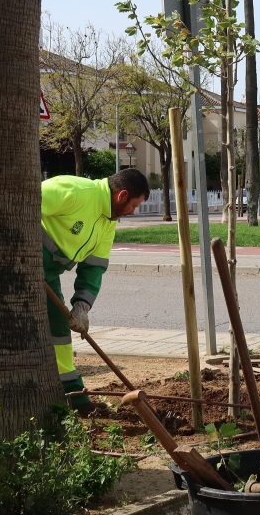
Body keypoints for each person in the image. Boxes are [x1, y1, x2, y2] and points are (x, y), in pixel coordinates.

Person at [41, 168, 149, 413]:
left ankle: (75, 398)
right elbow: (22, 205)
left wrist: (82, 305)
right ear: (121, 195)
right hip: (28, 265)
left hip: (48, 275)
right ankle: (73, 398)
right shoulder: (75, 191)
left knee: (59, 331)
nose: (133, 212)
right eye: (134, 205)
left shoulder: (108, 222)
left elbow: (94, 267)